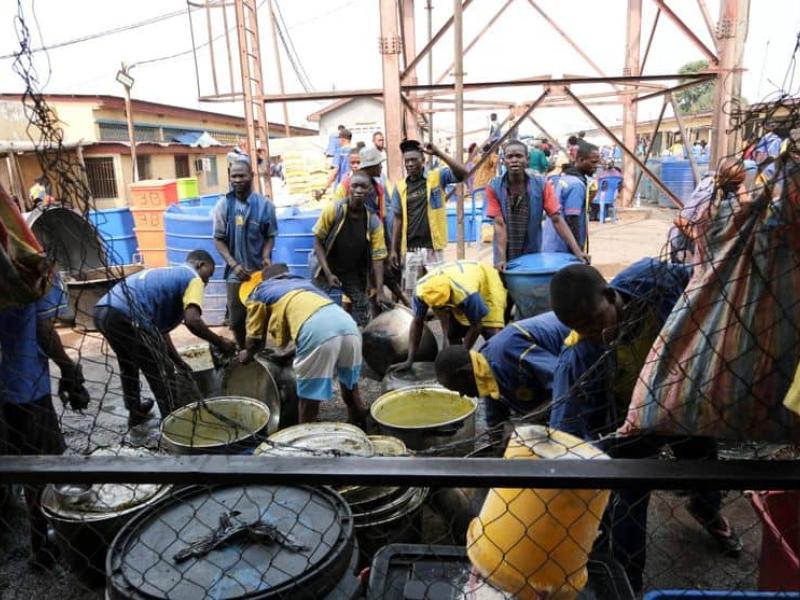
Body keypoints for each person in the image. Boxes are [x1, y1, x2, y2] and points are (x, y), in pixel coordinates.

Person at [548, 259, 742, 593]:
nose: (597, 334)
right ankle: (630, 582)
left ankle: (706, 509)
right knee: (628, 496)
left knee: (702, 460)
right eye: (583, 329)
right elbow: (570, 430)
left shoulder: (655, 282)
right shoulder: (579, 355)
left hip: (681, 399)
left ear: (611, 296)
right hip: (630, 424)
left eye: (596, 321)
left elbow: (700, 283)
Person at [0, 274, 89, 566]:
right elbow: (42, 326)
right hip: (22, 388)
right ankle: (44, 544)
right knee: (41, 466)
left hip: (13, 385)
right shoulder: (27, 262)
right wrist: (67, 367)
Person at [94, 251, 237, 423]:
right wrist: (221, 342)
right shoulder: (193, 278)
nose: (207, 282)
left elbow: (160, 332)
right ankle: (173, 420)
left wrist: (179, 361)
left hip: (103, 310)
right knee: (161, 369)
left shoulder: (170, 276)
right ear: (200, 265)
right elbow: (192, 321)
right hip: (126, 315)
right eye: (210, 274)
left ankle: (135, 411)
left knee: (128, 363)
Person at [239, 263, 367, 425]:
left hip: (317, 330)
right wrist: (289, 353)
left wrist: (247, 354)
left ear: (266, 279)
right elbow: (315, 320)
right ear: (287, 275)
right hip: (349, 326)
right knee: (351, 390)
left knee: (308, 401)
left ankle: (304, 444)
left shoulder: (261, 290)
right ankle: (362, 429)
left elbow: (254, 338)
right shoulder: (307, 286)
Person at [435, 311, 570, 429]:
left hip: (582, 337)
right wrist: (497, 441)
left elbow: (567, 383)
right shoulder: (483, 368)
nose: (462, 395)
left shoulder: (509, 352)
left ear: (465, 373)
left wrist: (524, 424)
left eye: (458, 389)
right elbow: (495, 416)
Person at [487, 140, 589, 271]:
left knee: (531, 280)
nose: (514, 160)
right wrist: (501, 258)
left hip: (532, 247)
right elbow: (499, 224)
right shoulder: (494, 187)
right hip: (504, 249)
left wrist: (577, 250)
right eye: (509, 157)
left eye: (519, 156)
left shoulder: (541, 184)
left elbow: (556, 218)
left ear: (527, 159)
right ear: (503, 160)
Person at [392, 260, 507, 371]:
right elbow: (417, 323)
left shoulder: (467, 293)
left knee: (493, 336)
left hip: (487, 281)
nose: (443, 311)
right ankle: (459, 366)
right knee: (453, 333)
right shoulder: (421, 291)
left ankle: (500, 371)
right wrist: (409, 360)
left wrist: (459, 357)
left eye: (445, 308)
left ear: (450, 295)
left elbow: (477, 326)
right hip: (457, 278)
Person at [389, 139, 468, 299]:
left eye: (414, 160)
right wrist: (393, 249)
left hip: (433, 248)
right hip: (411, 249)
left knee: (439, 293)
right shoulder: (399, 187)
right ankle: (416, 322)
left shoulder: (437, 177)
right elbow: (398, 219)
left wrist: (438, 152)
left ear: (423, 160)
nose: (410, 164)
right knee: (412, 295)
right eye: (407, 161)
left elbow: (463, 174)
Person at [213, 159, 278, 348]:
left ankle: (259, 353)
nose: (238, 180)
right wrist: (234, 264)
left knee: (260, 318)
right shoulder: (223, 206)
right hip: (235, 274)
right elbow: (218, 239)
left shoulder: (265, 206)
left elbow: (270, 236)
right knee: (236, 320)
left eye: (242, 176)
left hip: (259, 274)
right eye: (234, 176)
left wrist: (266, 256)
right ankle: (243, 351)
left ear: (252, 176)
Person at [311, 170, 389, 326]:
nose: (359, 191)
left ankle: (358, 340)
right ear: (349, 189)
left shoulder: (373, 222)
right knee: (316, 308)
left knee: (362, 307)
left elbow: (378, 257)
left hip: (350, 272)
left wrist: (379, 290)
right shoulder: (334, 210)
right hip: (325, 267)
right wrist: (328, 272)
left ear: (369, 190)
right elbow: (318, 241)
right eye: (355, 186)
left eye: (363, 187)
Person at [542, 142, 600, 254]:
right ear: (580, 160)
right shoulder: (576, 185)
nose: (596, 166)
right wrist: (577, 250)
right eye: (593, 162)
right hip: (563, 249)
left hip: (552, 244)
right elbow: (573, 219)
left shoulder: (565, 178)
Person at [321, 128, 354, 196]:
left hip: (341, 188)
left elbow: (335, 172)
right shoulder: (354, 152)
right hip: (352, 188)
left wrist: (324, 188)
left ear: (342, 139)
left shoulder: (339, 151)